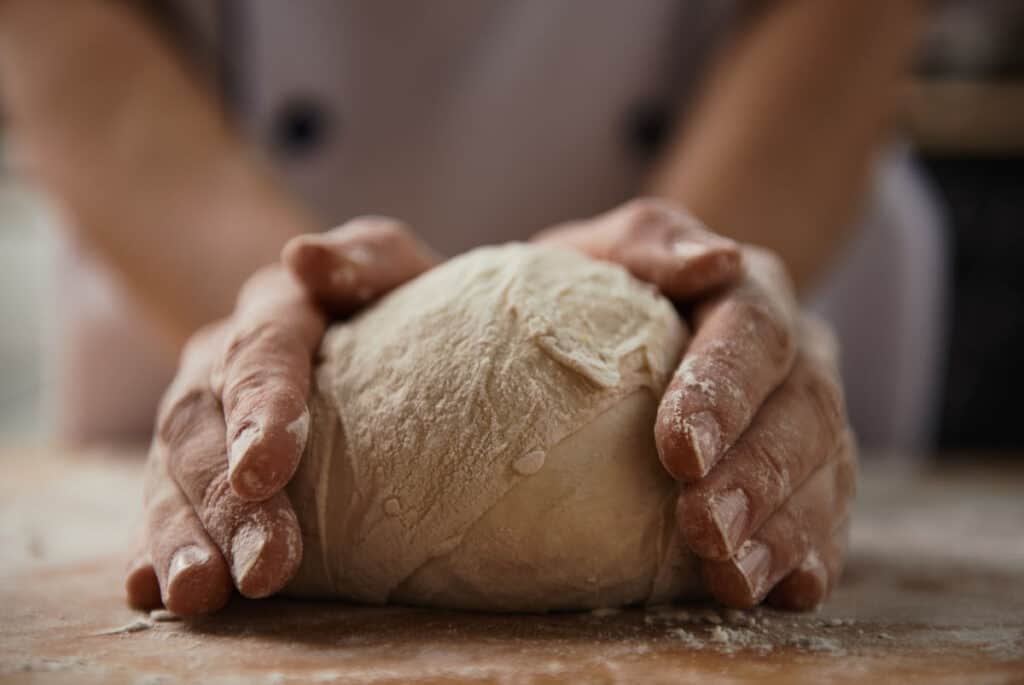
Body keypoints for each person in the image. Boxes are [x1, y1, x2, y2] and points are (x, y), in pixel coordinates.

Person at [0, 0, 938, 614]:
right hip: (191, 230)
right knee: (245, 500)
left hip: (760, 183)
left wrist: (697, 288)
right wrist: (284, 339)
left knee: (720, 471)